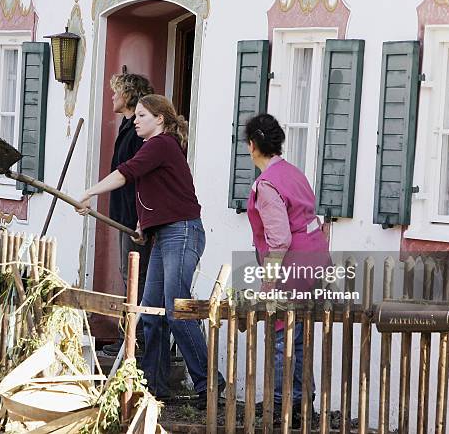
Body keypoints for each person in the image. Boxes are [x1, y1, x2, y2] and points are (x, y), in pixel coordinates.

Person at [77, 94, 224, 408]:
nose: (135, 120)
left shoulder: (161, 144)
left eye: (142, 115)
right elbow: (161, 191)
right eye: (136, 115)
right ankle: (155, 385)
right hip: (165, 234)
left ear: (160, 118)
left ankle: (209, 385)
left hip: (183, 233)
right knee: (150, 313)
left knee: (175, 309)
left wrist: (88, 193)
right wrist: (146, 223)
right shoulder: (155, 148)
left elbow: (124, 173)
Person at [245, 113, 330, 425]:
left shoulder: (267, 184)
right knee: (301, 335)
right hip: (316, 259)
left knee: (282, 335)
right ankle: (301, 402)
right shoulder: (293, 172)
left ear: (252, 145)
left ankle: (284, 405)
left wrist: (268, 282)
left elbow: (279, 239)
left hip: (292, 266)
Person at [103, 73, 154, 356]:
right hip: (124, 212)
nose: (112, 97)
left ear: (129, 95)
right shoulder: (128, 125)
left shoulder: (139, 131)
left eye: (116, 92)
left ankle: (137, 339)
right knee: (128, 273)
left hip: (135, 215)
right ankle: (131, 337)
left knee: (136, 274)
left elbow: (139, 176)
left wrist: (140, 217)